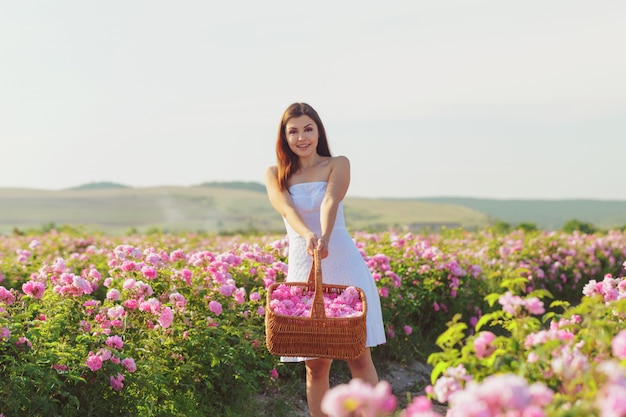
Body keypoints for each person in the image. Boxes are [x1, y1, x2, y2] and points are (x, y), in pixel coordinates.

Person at [265, 102, 386, 417]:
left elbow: (330, 200)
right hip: (304, 264)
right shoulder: (275, 174)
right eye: (293, 131)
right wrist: (308, 235)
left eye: (308, 129)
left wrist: (325, 235)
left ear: (318, 131)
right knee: (315, 366)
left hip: (342, 261)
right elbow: (287, 210)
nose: (302, 137)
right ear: (284, 136)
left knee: (358, 356)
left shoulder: (338, 163)